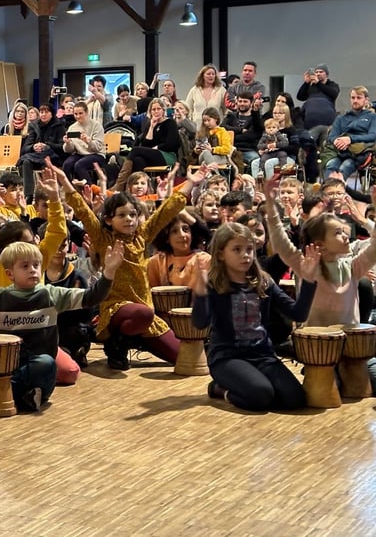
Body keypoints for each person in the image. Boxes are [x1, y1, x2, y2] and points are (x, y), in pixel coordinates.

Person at [52, 161, 214, 370]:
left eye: (132, 215)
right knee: (143, 314)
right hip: (116, 309)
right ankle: (116, 343)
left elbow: (167, 210)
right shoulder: (102, 238)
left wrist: (191, 182)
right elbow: (82, 210)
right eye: (122, 215)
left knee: (180, 357)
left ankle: (135, 338)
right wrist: (64, 180)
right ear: (108, 220)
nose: (128, 219)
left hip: (144, 311)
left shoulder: (142, 236)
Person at [0, 238, 124, 412]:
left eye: (36, 265)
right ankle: (20, 396)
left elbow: (91, 297)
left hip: (35, 369)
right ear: (10, 274)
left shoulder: (51, 295)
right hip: (4, 366)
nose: (32, 270)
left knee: (46, 363)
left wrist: (109, 272)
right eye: (25, 266)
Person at [190, 222, 320, 411]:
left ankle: (250, 385)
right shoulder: (214, 284)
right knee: (260, 395)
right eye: (237, 249)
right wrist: (201, 294)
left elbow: (298, 314)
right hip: (227, 357)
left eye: (249, 249)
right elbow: (200, 323)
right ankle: (220, 389)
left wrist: (308, 280)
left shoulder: (264, 282)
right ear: (220, 254)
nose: (245, 255)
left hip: (262, 355)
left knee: (295, 399)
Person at [263, 176, 376, 328]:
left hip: (349, 340)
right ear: (320, 244)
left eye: (344, 231)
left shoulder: (352, 267)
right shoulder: (307, 265)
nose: (345, 236)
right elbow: (280, 242)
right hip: (313, 340)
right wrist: (271, 204)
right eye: (337, 233)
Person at [114, 98, 180, 191]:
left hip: (168, 156)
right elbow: (146, 145)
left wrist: (157, 147)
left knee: (135, 150)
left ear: (163, 110)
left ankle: (120, 184)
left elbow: (171, 144)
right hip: (153, 156)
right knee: (138, 160)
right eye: (153, 109)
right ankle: (142, 190)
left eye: (158, 109)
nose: (156, 111)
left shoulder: (170, 123)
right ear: (150, 111)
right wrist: (152, 127)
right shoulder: (149, 124)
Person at [324, 86, 376, 181]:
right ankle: (328, 188)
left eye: (359, 98)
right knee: (331, 165)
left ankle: (336, 187)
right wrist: (338, 141)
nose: (355, 100)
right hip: (341, 152)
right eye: (353, 98)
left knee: (345, 166)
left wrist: (350, 139)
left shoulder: (372, 117)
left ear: (366, 100)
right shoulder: (341, 118)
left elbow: (372, 136)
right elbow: (332, 136)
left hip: (360, 153)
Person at [297, 65, 339, 157]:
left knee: (325, 147)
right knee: (308, 147)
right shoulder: (311, 86)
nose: (318, 74)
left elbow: (333, 94)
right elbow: (300, 97)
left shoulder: (332, 85)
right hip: (310, 123)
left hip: (327, 124)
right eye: (316, 72)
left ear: (326, 74)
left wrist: (319, 84)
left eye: (321, 72)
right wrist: (306, 83)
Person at [61, 102, 106, 182]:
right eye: (75, 114)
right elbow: (69, 150)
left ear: (86, 112)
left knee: (79, 165)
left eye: (80, 113)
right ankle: (70, 187)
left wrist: (89, 142)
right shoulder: (72, 128)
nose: (78, 116)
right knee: (67, 165)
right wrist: (67, 143)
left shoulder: (96, 126)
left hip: (96, 154)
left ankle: (89, 187)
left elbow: (98, 148)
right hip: (80, 154)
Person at [223, 92, 264, 175]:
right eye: (240, 101)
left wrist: (233, 134)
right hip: (230, 150)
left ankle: (250, 181)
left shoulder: (255, 118)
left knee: (256, 160)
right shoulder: (231, 116)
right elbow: (223, 127)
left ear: (251, 103)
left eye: (245, 101)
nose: (242, 104)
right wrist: (240, 130)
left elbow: (251, 136)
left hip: (247, 150)